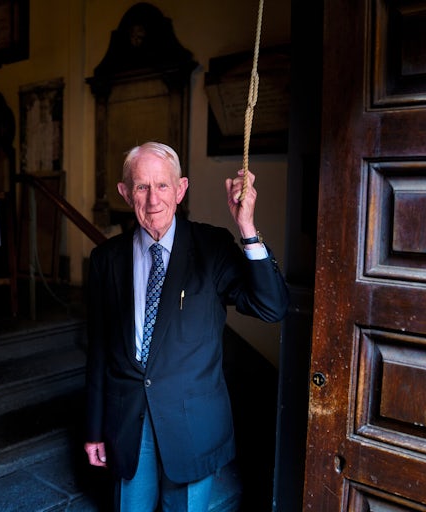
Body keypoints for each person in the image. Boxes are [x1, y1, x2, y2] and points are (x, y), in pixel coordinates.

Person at [83, 141, 289, 511]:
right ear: (125, 192)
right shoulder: (105, 260)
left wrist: (247, 227)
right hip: (129, 424)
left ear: (180, 189)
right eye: (142, 187)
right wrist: (94, 429)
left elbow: (271, 307)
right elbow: (98, 351)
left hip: (193, 424)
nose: (153, 200)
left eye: (163, 185)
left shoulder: (212, 247)